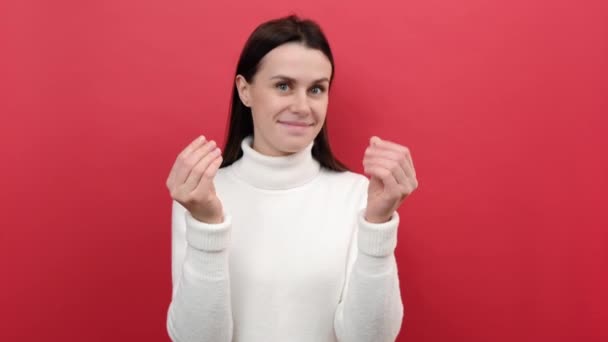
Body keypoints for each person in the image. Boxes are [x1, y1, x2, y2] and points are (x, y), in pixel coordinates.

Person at [164, 14, 418, 342]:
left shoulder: (358, 197)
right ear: (245, 90)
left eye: (316, 89)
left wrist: (379, 226)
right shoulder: (202, 196)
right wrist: (207, 225)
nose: (302, 106)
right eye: (283, 86)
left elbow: (369, 338)